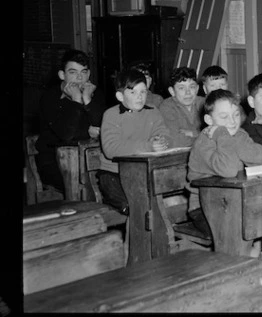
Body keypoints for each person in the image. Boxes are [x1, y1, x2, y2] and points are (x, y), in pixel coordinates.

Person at [186, 89, 262, 240]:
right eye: (224, 117)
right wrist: (222, 134)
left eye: (236, 115)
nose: (232, 121)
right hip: (204, 208)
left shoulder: (239, 134)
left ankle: (257, 257)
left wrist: (233, 140)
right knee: (239, 230)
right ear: (209, 120)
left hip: (234, 202)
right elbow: (228, 169)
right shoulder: (204, 143)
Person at [99, 68, 171, 214]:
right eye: (133, 92)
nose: (139, 97)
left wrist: (161, 140)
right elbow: (111, 148)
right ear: (120, 96)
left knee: (165, 202)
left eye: (143, 92)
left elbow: (163, 133)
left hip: (145, 171)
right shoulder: (111, 115)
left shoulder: (153, 111)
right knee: (135, 206)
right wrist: (149, 146)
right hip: (114, 173)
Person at [37, 49, 105, 193]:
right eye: (73, 72)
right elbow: (66, 134)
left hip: (90, 158)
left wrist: (87, 100)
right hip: (55, 161)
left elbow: (101, 128)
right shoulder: (49, 97)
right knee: (88, 184)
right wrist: (76, 100)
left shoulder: (94, 92)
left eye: (84, 72)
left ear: (89, 74)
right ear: (62, 75)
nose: (80, 78)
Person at [159, 67, 205, 148]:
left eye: (192, 87)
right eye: (181, 88)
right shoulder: (167, 107)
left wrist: (193, 133)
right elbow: (176, 141)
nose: (188, 92)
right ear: (172, 91)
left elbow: (221, 133)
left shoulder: (204, 103)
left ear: (197, 89)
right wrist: (203, 136)